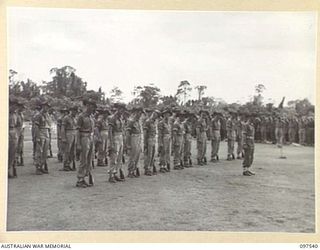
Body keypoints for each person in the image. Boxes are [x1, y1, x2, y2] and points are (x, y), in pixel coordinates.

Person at [76, 98, 96, 188]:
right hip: (84, 137)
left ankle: (85, 176)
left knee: (89, 159)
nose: (93, 108)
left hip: (90, 137)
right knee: (83, 159)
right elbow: (78, 131)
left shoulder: (91, 116)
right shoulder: (81, 116)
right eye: (91, 106)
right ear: (87, 106)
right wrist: (78, 144)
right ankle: (80, 179)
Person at [108, 103, 126, 183]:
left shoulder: (121, 118)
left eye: (122, 109)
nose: (122, 111)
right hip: (115, 137)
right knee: (114, 157)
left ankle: (115, 173)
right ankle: (111, 175)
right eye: (120, 109)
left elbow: (122, 130)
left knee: (119, 158)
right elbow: (110, 131)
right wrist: (111, 142)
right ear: (117, 109)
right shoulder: (112, 118)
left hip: (120, 137)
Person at [33, 98, 52, 175]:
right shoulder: (38, 115)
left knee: (45, 151)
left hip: (46, 132)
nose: (47, 108)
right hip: (41, 132)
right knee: (39, 151)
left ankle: (42, 166)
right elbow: (36, 127)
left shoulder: (47, 115)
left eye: (48, 107)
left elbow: (49, 125)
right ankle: (38, 167)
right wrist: (37, 136)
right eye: (45, 106)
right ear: (42, 106)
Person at [126, 107, 144, 178]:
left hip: (139, 137)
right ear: (135, 112)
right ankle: (130, 171)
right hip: (133, 137)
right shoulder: (131, 121)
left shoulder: (139, 121)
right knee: (133, 155)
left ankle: (135, 169)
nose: (140, 114)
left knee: (138, 155)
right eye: (139, 113)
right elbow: (128, 133)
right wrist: (128, 144)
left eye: (141, 113)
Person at [61, 105, 78, 171]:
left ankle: (70, 163)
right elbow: (63, 128)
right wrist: (63, 137)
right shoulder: (66, 118)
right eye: (74, 111)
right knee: (67, 150)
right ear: (72, 111)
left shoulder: (75, 118)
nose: (75, 112)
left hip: (74, 133)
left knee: (73, 151)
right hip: (68, 133)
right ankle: (66, 164)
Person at [143, 110, 159, 176]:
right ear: (153, 114)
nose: (156, 116)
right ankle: (147, 169)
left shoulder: (154, 122)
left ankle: (151, 167)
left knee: (153, 154)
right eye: (155, 114)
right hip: (149, 139)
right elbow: (145, 133)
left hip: (153, 138)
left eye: (157, 115)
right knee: (148, 155)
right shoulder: (148, 121)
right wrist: (145, 142)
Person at [242, 112, 256, 176]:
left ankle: (248, 169)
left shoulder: (252, 125)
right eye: (253, 117)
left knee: (251, 156)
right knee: (247, 156)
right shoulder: (246, 125)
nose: (254, 118)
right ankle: (245, 170)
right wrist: (244, 143)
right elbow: (244, 134)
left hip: (252, 141)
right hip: (247, 141)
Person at [8, 97, 19, 178]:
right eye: (13, 105)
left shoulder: (15, 114)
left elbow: (18, 124)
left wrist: (17, 133)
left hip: (13, 132)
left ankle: (11, 168)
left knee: (13, 152)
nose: (14, 107)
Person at [15, 100, 25, 166]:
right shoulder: (15, 114)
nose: (23, 109)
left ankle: (20, 159)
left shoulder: (21, 114)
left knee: (21, 146)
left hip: (21, 130)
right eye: (22, 107)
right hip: (16, 130)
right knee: (16, 146)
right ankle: (16, 160)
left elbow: (22, 123)